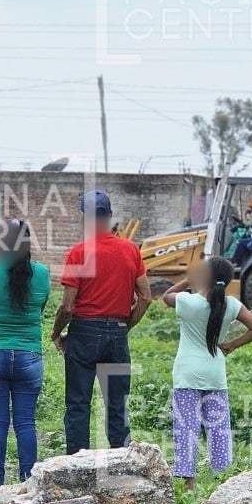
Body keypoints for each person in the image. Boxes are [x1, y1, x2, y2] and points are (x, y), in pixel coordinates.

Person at [52, 190, 151, 455]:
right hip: (117, 333)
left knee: (78, 404)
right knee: (117, 405)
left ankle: (76, 465)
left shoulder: (77, 253)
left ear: (85, 217)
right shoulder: (131, 250)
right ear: (108, 216)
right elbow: (146, 297)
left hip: (83, 332)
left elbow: (68, 306)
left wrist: (57, 332)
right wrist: (124, 326)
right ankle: (121, 462)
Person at [161, 256, 252, 489]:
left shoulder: (189, 302)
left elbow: (166, 297)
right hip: (215, 374)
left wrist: (188, 280)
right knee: (218, 430)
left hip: (187, 375)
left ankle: (189, 487)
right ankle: (222, 481)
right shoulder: (232, 305)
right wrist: (231, 345)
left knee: (186, 430)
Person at [0, 219, 50, 485]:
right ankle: (28, 482)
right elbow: (40, 308)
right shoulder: (40, 273)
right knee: (26, 424)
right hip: (29, 357)